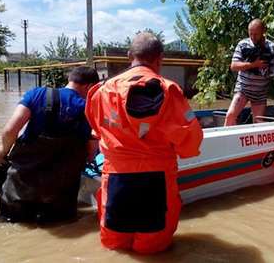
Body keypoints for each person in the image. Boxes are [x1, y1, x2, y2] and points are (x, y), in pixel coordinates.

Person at [85, 33, 203, 254]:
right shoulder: (170, 90)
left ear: (129, 56)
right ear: (160, 58)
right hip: (157, 180)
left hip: (116, 179)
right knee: (154, 249)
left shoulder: (101, 92)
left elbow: (97, 133)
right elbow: (191, 143)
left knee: (114, 247)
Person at [0, 66, 100, 222]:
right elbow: (90, 153)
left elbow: (10, 131)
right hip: (59, 197)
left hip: (21, 190)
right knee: (60, 223)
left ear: (69, 79)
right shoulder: (89, 110)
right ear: (90, 87)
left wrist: (3, 150)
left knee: (11, 222)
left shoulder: (36, 94)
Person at [225, 18, 274, 126]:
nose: (253, 37)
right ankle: (225, 141)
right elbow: (234, 66)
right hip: (243, 88)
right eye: (250, 34)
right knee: (230, 115)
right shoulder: (243, 45)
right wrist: (254, 64)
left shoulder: (272, 47)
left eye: (255, 34)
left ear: (263, 31)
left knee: (258, 122)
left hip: (260, 91)